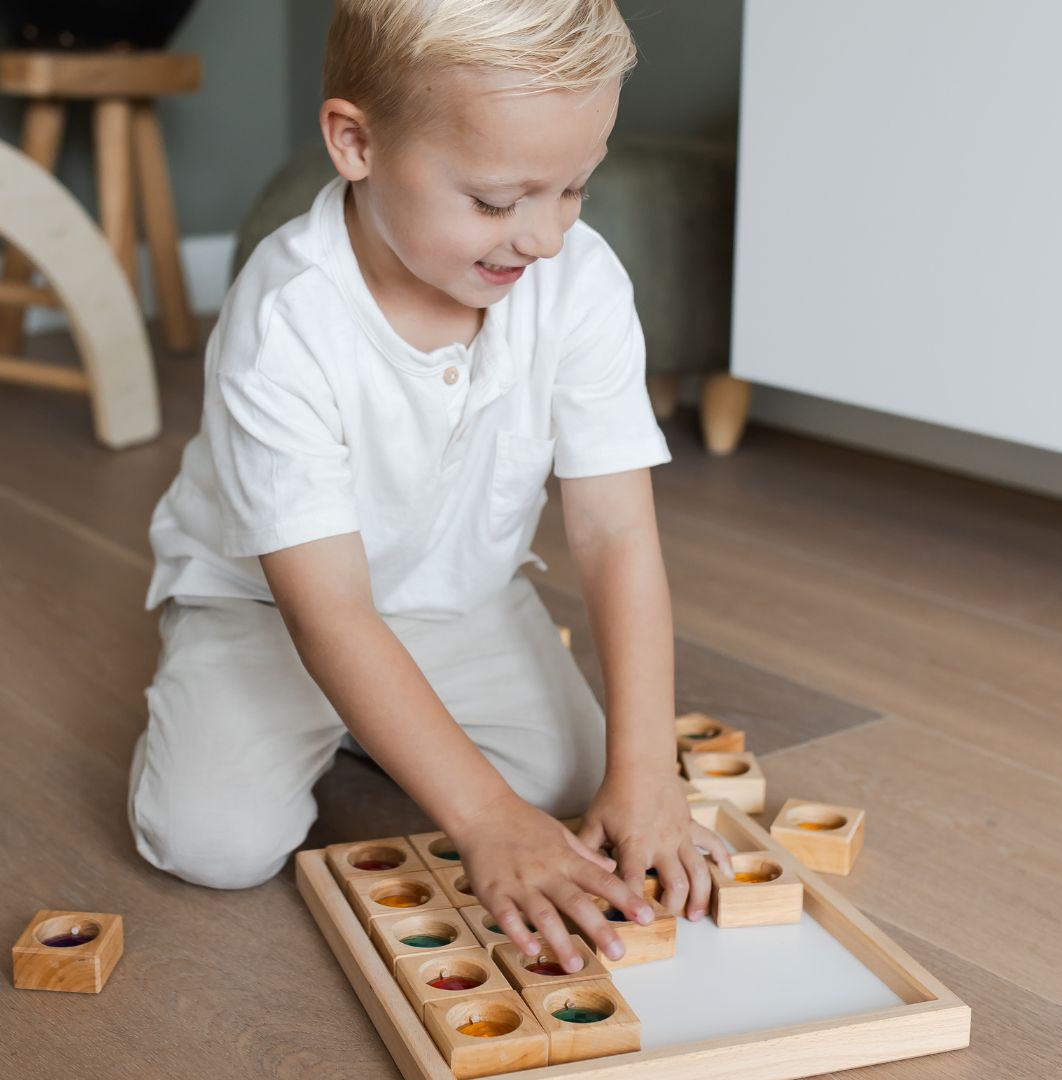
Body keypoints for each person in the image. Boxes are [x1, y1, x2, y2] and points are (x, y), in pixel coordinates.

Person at [128, 0, 733, 973]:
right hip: (275, 614)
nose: (541, 237)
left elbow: (617, 532)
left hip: (459, 597)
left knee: (586, 775)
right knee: (213, 844)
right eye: (498, 201)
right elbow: (329, 610)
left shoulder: (577, 280)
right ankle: (323, 709)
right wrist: (486, 820)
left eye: (575, 186)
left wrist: (646, 773)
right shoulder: (286, 320)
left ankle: (385, 726)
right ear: (356, 142)